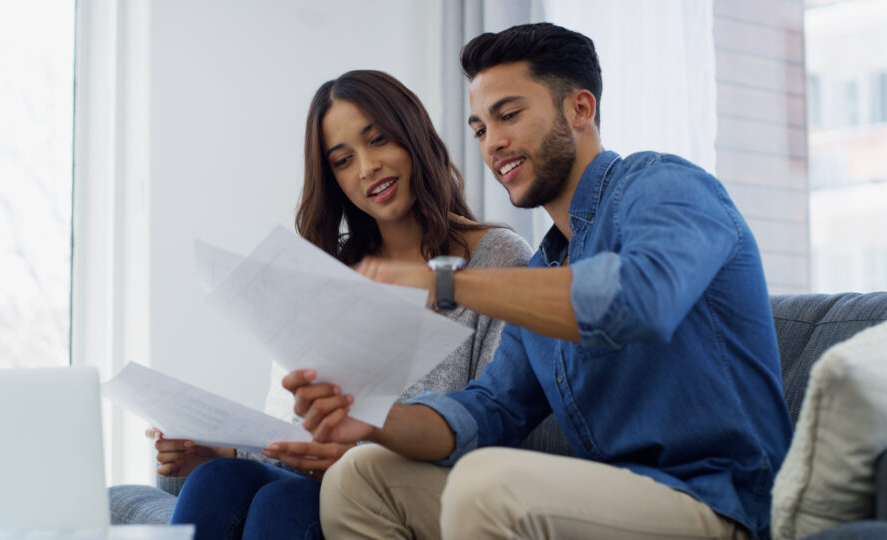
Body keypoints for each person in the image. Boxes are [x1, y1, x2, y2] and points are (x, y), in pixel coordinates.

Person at [287, 23, 793, 540]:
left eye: (508, 115)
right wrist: (373, 420)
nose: (493, 143)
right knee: (360, 478)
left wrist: (446, 283)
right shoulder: (545, 271)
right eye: (480, 129)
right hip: (612, 500)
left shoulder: (665, 186)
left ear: (580, 109)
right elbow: (488, 411)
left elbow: (640, 298)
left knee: (486, 485)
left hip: (722, 505)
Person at [112, 69, 536, 540]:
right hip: (319, 477)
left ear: (414, 137)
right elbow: (300, 429)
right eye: (343, 160)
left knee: (283, 503)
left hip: (408, 488)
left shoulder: (496, 257)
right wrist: (223, 450)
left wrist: (355, 457)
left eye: (378, 140)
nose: (366, 167)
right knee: (216, 479)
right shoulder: (333, 269)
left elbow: (492, 416)